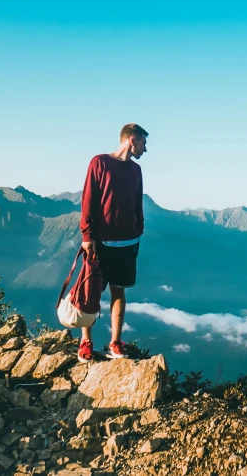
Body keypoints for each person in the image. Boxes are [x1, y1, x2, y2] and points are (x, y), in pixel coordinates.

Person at [77, 123, 148, 362]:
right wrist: (87, 236)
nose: (145, 149)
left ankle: (115, 343)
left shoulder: (136, 170)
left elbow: (137, 201)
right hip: (101, 243)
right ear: (132, 139)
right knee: (91, 293)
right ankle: (85, 342)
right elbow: (88, 199)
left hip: (128, 242)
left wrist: (139, 228)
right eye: (143, 143)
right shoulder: (99, 163)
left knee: (119, 292)